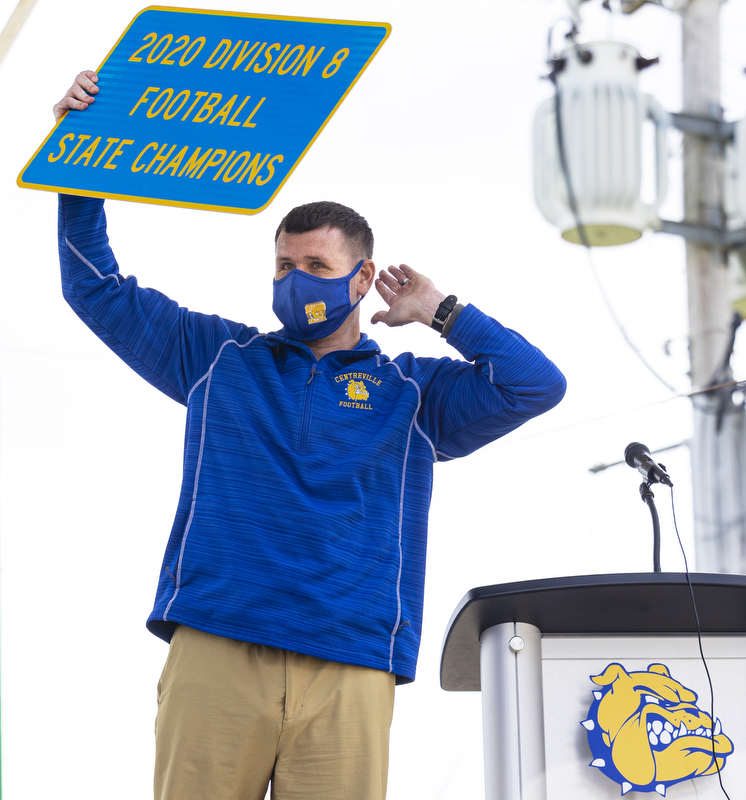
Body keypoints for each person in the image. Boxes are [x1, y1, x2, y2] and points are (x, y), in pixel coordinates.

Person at [53, 70, 567, 800]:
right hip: (217, 646)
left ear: (362, 280)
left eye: (317, 267)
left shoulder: (413, 393)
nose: (297, 280)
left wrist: (442, 311)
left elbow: (534, 384)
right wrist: (79, 165)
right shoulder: (217, 361)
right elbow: (94, 288)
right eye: (284, 266)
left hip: (350, 663)